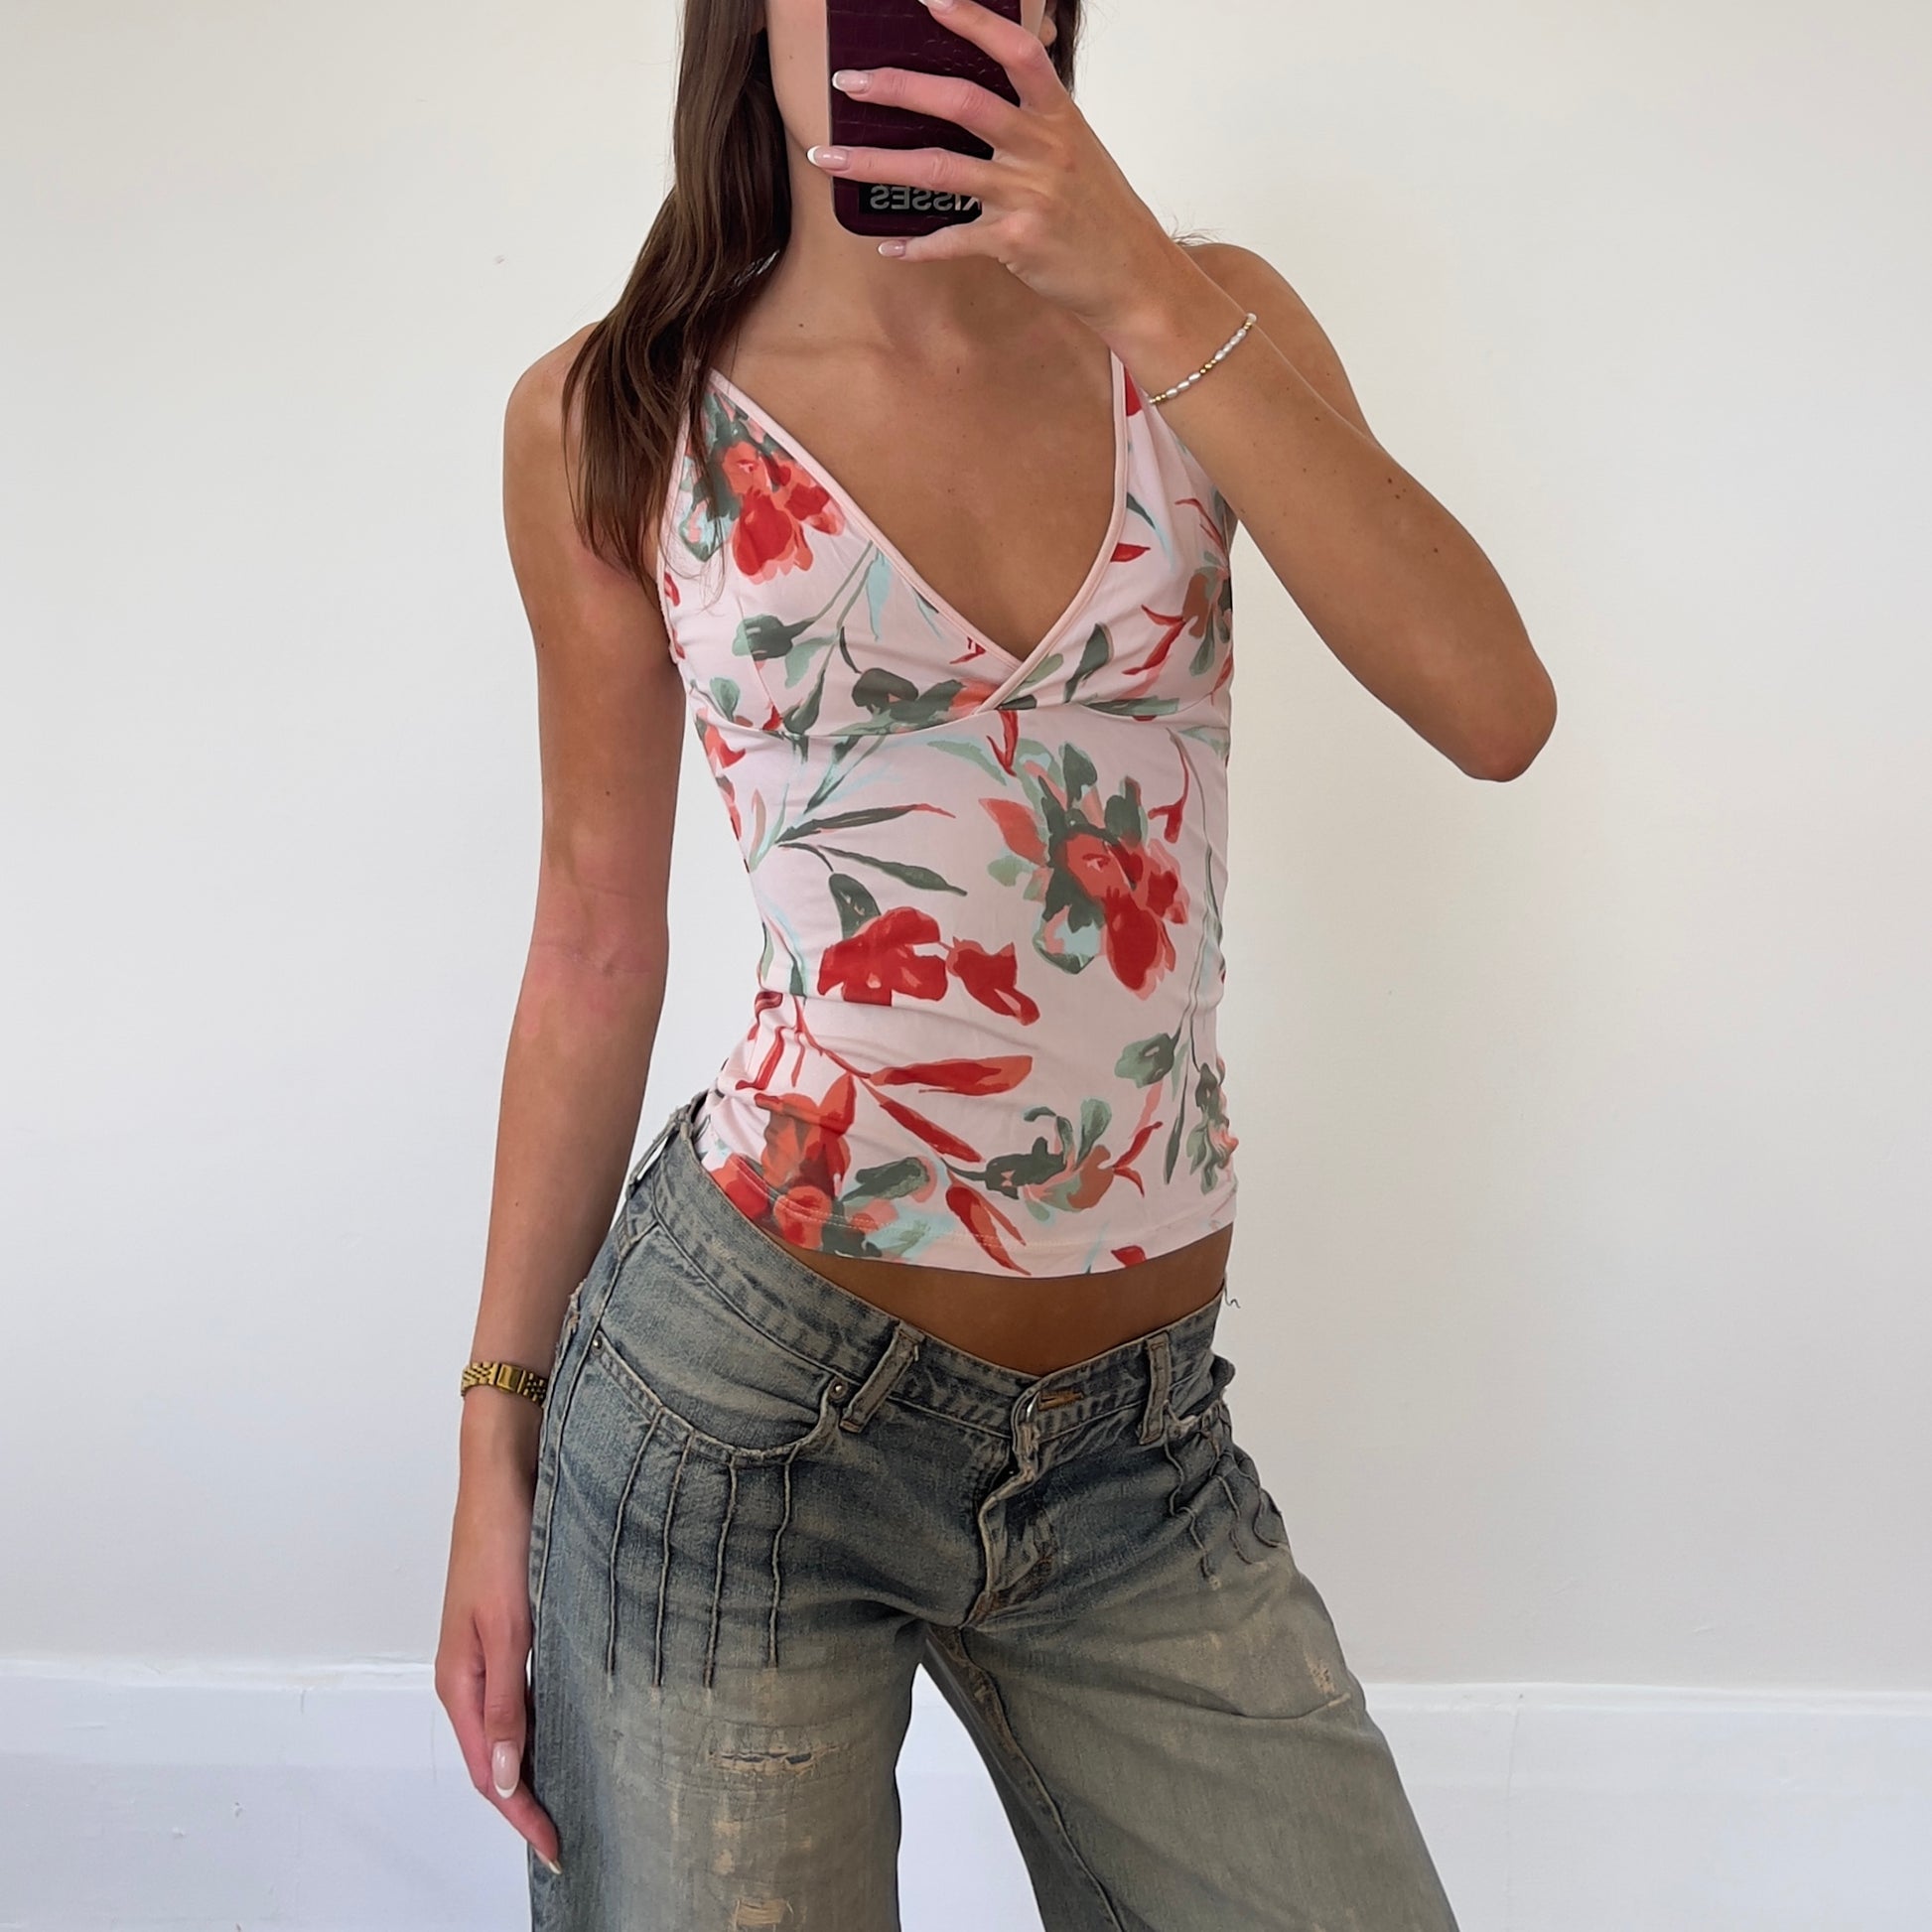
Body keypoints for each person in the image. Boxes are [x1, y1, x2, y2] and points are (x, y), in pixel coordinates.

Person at [436, 1, 1556, 1925]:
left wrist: (1135, 279)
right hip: (744, 1411)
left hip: (1138, 1448)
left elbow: (1494, 706)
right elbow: (594, 943)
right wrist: (493, 1433)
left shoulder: (1198, 323)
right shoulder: (614, 415)